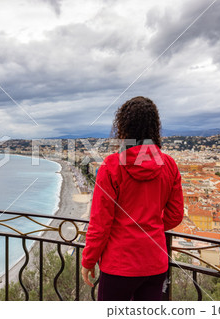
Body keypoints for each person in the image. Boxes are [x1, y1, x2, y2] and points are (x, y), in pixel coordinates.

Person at [81, 96, 184, 301]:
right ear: (154, 127)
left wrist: (88, 260)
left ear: (123, 128)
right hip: (155, 262)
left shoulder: (111, 167)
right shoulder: (169, 165)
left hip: (119, 264)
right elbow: (175, 215)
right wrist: (150, 226)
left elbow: (100, 223)